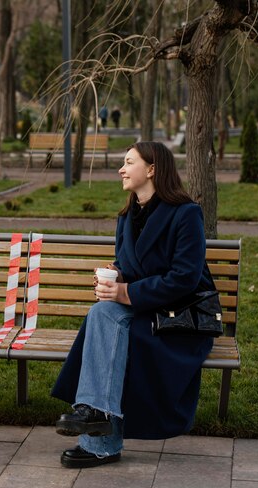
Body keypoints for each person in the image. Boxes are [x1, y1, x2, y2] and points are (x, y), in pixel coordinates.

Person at [51, 141, 215, 468]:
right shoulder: (128, 215)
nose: (121, 169)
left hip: (179, 319)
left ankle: (99, 435)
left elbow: (184, 277)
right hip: (143, 311)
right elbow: (131, 265)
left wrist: (125, 293)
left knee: (112, 326)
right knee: (104, 314)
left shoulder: (186, 214)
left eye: (129, 162)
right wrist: (115, 274)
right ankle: (94, 417)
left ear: (152, 169)